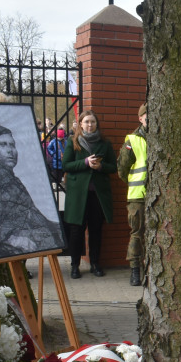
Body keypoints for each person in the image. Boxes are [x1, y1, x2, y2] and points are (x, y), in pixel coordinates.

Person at [0, 120, 63, 262]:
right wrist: (13, 239)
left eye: (12, 145)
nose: (10, 150)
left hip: (24, 242)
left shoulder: (14, 181)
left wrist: (57, 231)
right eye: (3, 145)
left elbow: (33, 215)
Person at [63, 110, 116, 279]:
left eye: (93, 122)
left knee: (96, 230)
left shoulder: (104, 143)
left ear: (96, 124)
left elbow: (113, 167)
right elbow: (66, 165)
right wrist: (85, 162)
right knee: (76, 231)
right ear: (80, 124)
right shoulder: (73, 142)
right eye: (86, 122)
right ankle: (74, 265)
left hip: (97, 195)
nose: (90, 125)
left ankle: (95, 263)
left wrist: (100, 167)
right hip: (78, 195)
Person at [117, 104, 148, 287]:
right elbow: (122, 169)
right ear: (141, 118)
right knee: (137, 234)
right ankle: (135, 270)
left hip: (159, 196)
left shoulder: (164, 137)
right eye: (147, 115)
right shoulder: (132, 140)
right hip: (138, 196)